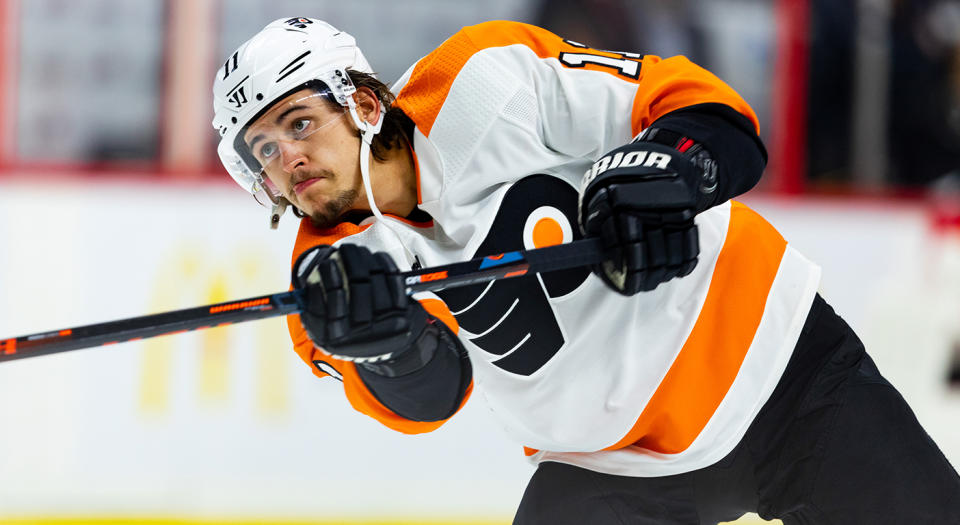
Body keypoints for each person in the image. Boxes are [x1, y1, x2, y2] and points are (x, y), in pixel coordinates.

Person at [212, 17, 960, 524]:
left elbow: (711, 115)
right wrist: (387, 343)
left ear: (366, 101)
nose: (289, 159)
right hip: (614, 474)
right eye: (265, 152)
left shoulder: (484, 77)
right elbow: (429, 399)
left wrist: (669, 175)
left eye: (299, 123)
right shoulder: (330, 277)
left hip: (784, 374)